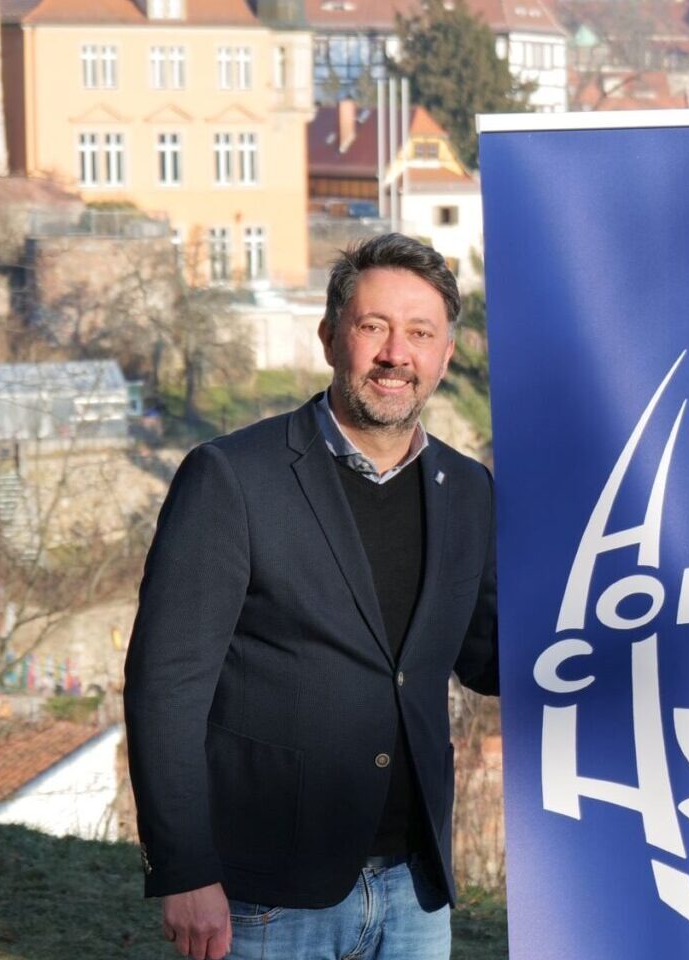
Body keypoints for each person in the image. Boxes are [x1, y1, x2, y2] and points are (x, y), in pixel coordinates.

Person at [124, 234, 498, 960]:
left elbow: (486, 658)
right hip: (266, 899)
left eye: (420, 333)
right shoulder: (231, 478)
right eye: (373, 327)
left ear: (446, 354)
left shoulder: (469, 491)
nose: (397, 354)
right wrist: (185, 870)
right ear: (330, 337)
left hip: (415, 890)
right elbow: (165, 686)